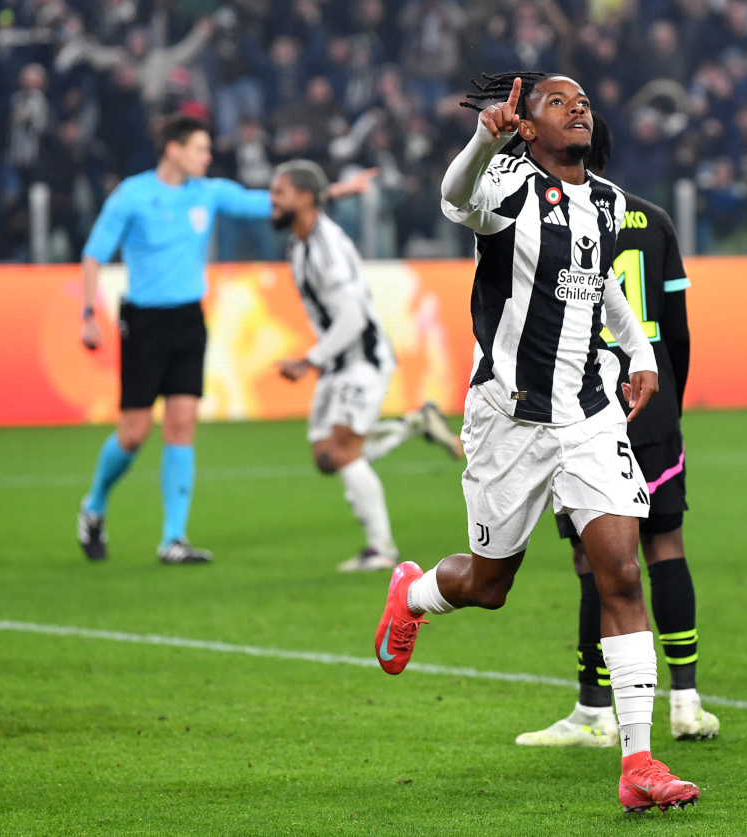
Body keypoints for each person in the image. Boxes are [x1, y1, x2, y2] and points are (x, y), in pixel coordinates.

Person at [372, 72, 699, 814]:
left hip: (588, 414)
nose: (579, 106)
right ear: (528, 125)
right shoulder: (507, 184)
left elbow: (601, 283)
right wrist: (482, 141)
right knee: (489, 584)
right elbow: (456, 199)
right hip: (508, 417)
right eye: (558, 101)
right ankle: (414, 594)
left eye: (583, 99)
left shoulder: (610, 202)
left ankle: (639, 760)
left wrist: (638, 352)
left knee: (619, 570)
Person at [76, 115, 371, 565]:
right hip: (143, 323)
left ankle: (173, 538)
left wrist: (333, 192)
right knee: (133, 434)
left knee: (181, 426)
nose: (207, 156)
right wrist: (87, 315)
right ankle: (94, 506)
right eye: (199, 148)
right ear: (173, 150)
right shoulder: (133, 194)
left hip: (188, 320)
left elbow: (265, 205)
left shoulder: (209, 193)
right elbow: (94, 253)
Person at [516, 115, 718, 748]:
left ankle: (594, 711)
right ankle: (685, 701)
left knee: (592, 561)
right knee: (664, 549)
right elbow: (676, 330)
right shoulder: (653, 219)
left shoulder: (555, 218)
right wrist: (669, 403)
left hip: (582, 404)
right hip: (650, 405)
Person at [269, 160, 464, 573]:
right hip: (338, 362)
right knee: (326, 457)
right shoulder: (300, 242)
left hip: (362, 359)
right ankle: (415, 424)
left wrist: (309, 360)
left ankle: (381, 550)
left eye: (279, 193)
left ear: (304, 199)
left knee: (343, 451)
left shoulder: (325, 248)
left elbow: (354, 317)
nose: (271, 202)